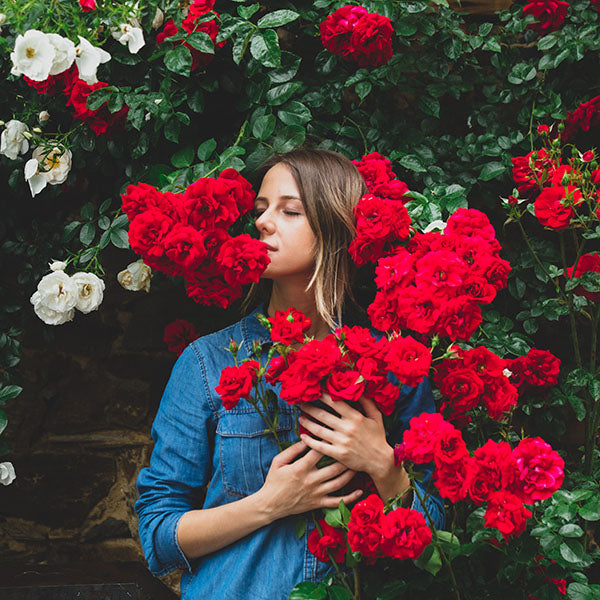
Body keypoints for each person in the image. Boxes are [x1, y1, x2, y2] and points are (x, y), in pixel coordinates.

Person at [135, 147, 445, 600]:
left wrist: (382, 464)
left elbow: (435, 534)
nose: (262, 222)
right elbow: (158, 537)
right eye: (261, 209)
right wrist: (267, 505)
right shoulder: (209, 362)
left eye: (289, 210)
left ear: (336, 226)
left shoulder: (391, 365)